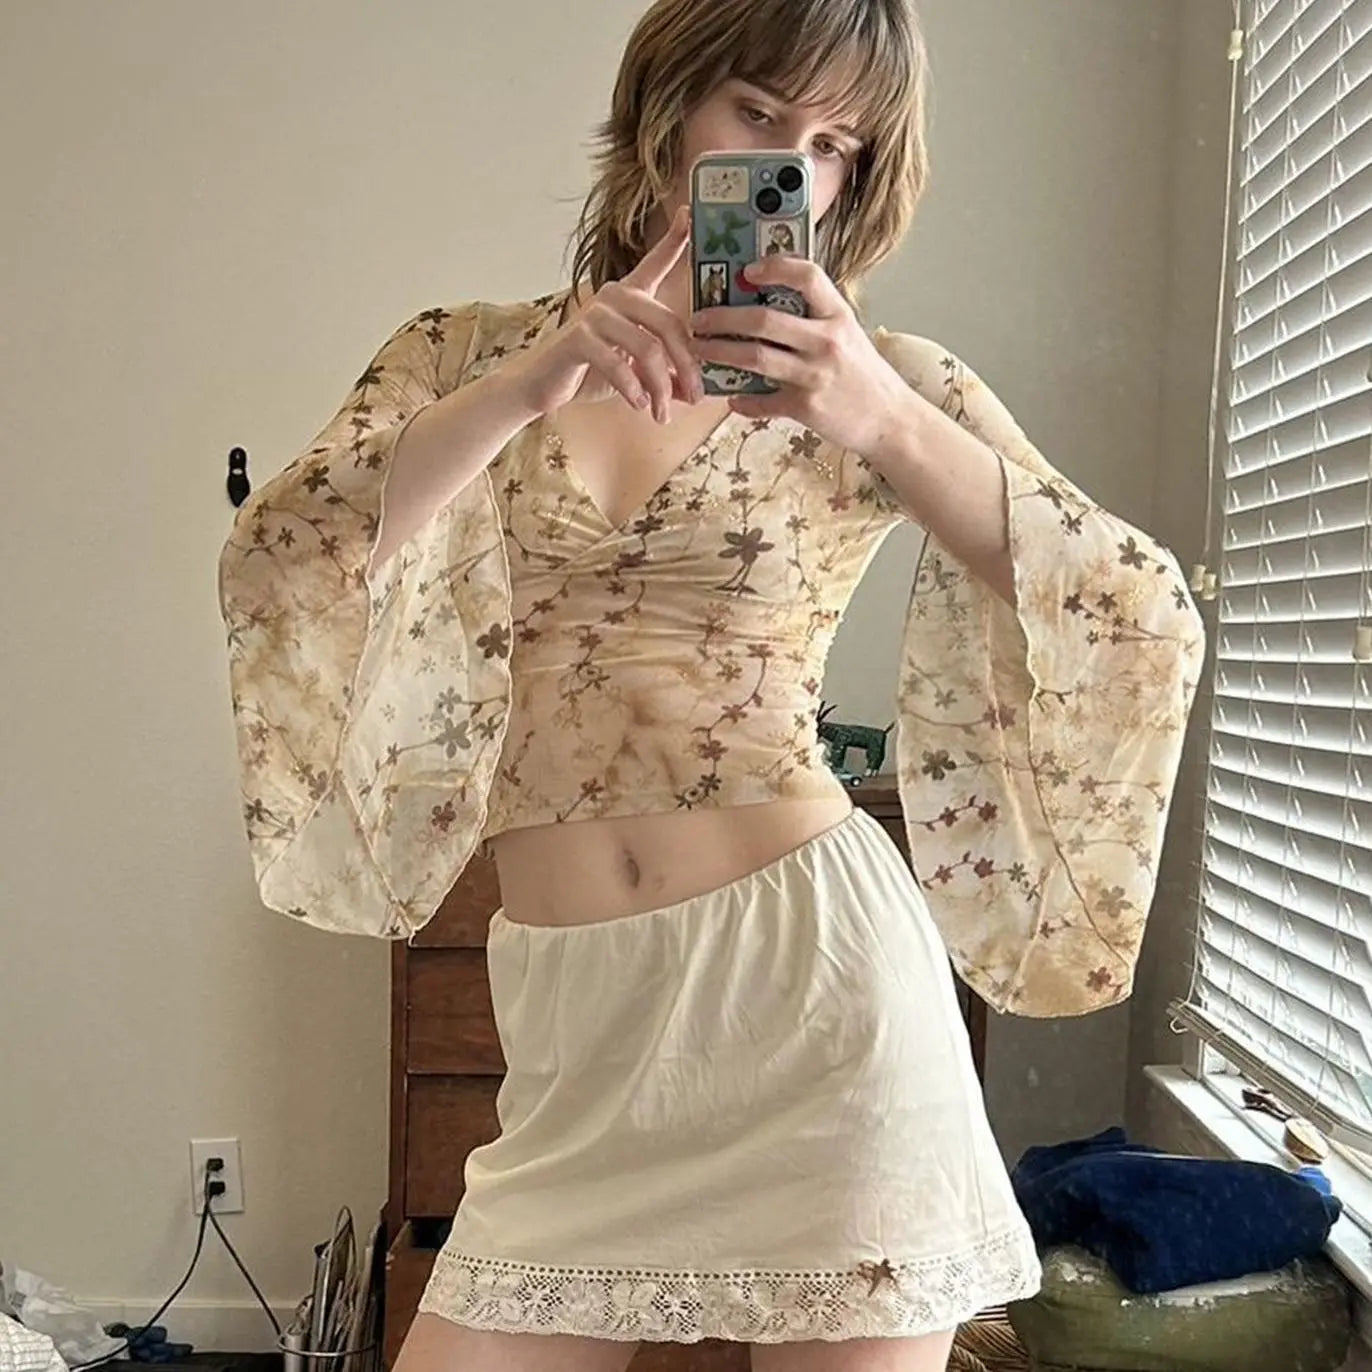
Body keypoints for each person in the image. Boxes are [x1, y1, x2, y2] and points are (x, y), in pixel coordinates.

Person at [216, 1, 1206, 1368]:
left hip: (821, 1007)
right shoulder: (464, 355)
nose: (790, 164)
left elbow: (1136, 610)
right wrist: (531, 384)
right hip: (578, 1026)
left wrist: (882, 418)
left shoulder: (881, 384)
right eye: (757, 113)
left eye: (835, 143)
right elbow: (285, 559)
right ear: (666, 107)